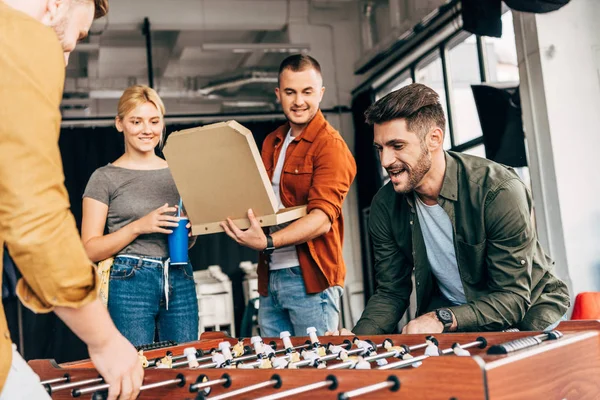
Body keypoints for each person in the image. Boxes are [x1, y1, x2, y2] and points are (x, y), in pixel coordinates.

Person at [0, 1, 143, 400]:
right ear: (55, 4)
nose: (63, 62)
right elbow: (34, 218)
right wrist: (103, 340)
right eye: (71, 41)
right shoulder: (20, 36)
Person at [350, 83, 570, 335]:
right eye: (380, 148)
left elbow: (512, 297)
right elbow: (391, 292)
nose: (385, 161)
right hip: (456, 314)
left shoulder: (497, 190)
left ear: (434, 139)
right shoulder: (385, 205)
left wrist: (441, 318)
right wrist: (357, 342)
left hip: (529, 310)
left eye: (397, 146)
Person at [221, 54, 357, 337]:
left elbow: (321, 220)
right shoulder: (273, 140)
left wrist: (268, 241)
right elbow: (258, 202)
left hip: (310, 279)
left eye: (307, 92)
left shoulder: (330, 146)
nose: (298, 101)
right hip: (270, 277)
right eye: (290, 92)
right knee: (277, 371)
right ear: (278, 94)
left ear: (320, 93)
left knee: (317, 370)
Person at [81, 85, 199, 347]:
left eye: (154, 121)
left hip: (180, 275)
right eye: (136, 121)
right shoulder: (104, 178)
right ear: (119, 124)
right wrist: (139, 227)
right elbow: (89, 249)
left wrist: (192, 232)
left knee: (186, 364)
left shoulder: (180, 172)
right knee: (134, 367)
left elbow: (187, 233)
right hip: (129, 280)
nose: (147, 130)